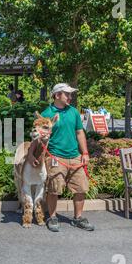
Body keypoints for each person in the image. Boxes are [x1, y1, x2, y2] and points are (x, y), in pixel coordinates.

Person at [30, 83, 95, 232]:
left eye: (71, 94)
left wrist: (84, 153)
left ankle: (78, 218)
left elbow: (80, 133)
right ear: (57, 95)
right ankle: (52, 217)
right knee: (54, 189)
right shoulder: (47, 113)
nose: (70, 97)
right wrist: (30, 155)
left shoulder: (73, 112)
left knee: (81, 188)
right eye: (67, 94)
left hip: (75, 156)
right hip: (55, 157)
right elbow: (37, 136)